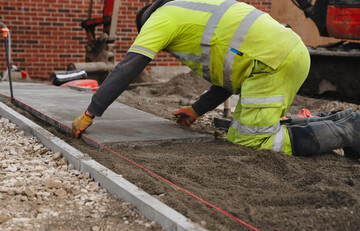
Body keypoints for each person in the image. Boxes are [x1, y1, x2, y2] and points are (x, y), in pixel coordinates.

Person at [72, 0, 360, 158]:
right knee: (238, 136)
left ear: (146, 25)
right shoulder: (190, 11)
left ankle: (350, 131)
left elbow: (128, 67)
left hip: (272, 62)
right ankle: (341, 119)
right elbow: (227, 79)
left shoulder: (160, 20)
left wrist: (91, 111)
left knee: (256, 142)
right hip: (278, 56)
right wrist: (196, 110)